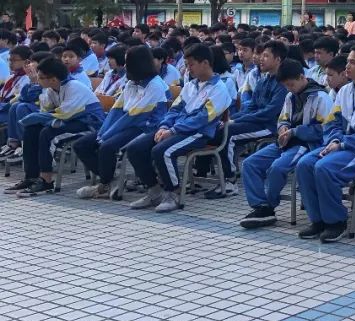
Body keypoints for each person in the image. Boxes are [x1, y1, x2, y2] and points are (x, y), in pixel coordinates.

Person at [295, 42, 355, 242]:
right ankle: (318, 220)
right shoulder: (345, 91)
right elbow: (331, 123)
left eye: (353, 63)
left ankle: (336, 221)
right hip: (340, 145)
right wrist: (334, 140)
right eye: (347, 62)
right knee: (304, 164)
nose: (347, 66)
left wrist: (342, 143)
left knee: (325, 168)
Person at [123, 45, 232, 212]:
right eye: (187, 65)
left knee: (162, 151)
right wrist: (165, 125)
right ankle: (154, 191)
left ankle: (173, 193)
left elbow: (202, 118)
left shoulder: (219, 89)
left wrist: (173, 131)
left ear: (205, 63)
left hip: (198, 134)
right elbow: (175, 109)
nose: (187, 69)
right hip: (176, 129)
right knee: (135, 148)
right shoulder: (190, 85)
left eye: (191, 64)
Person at [239, 59, 334, 229]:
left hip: (306, 145)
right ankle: (260, 205)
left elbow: (323, 129)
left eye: (291, 84)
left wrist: (295, 132)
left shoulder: (321, 97)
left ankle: (269, 206)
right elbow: (283, 118)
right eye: (286, 86)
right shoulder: (290, 96)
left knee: (277, 167)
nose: (289, 89)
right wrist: (283, 127)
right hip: (285, 142)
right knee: (250, 163)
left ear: (301, 77)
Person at [73, 46, 169, 199]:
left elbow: (136, 115)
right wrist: (105, 130)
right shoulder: (132, 83)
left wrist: (109, 133)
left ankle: (104, 183)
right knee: (81, 145)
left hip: (145, 126)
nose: (125, 66)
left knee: (106, 146)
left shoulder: (155, 85)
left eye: (128, 62)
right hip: (126, 122)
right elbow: (117, 109)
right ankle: (111, 179)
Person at [5, 56, 105, 196]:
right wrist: (39, 115)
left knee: (47, 133)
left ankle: (46, 181)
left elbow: (65, 113)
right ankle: (31, 177)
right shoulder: (52, 89)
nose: (38, 80)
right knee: (32, 130)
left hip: (88, 124)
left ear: (53, 79)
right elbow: (45, 109)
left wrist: (40, 117)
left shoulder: (74, 87)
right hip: (68, 121)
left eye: (40, 77)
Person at [212, 40, 289, 198]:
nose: (261, 58)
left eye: (266, 56)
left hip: (269, 126)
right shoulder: (263, 80)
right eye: (261, 55)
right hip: (255, 122)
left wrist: (236, 121)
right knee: (222, 128)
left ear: (278, 60)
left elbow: (270, 112)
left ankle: (230, 181)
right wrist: (233, 118)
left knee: (229, 134)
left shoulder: (283, 83)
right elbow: (252, 106)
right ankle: (223, 177)